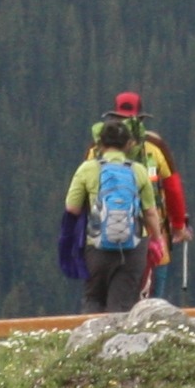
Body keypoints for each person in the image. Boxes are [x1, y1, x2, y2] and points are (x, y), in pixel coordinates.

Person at [104, 91, 188, 299]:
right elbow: (173, 189)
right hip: (153, 239)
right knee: (152, 303)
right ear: (141, 119)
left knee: (109, 302)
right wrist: (178, 226)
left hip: (105, 239)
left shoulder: (97, 150)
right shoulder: (156, 147)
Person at [65, 126, 154, 313]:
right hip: (133, 246)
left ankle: (89, 340)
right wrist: (158, 240)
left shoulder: (87, 169)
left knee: (94, 298)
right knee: (122, 305)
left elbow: (72, 207)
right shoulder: (139, 171)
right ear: (129, 144)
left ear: (99, 144)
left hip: (96, 244)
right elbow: (150, 212)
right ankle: (118, 342)